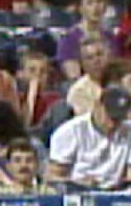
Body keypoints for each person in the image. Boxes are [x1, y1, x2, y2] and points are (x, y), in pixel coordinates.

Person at [48, 59, 131, 190]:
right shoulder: (71, 132)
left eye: (118, 118)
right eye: (110, 116)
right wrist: (77, 182)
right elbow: (52, 177)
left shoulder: (127, 131)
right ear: (98, 105)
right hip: (77, 193)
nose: (113, 123)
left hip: (117, 195)